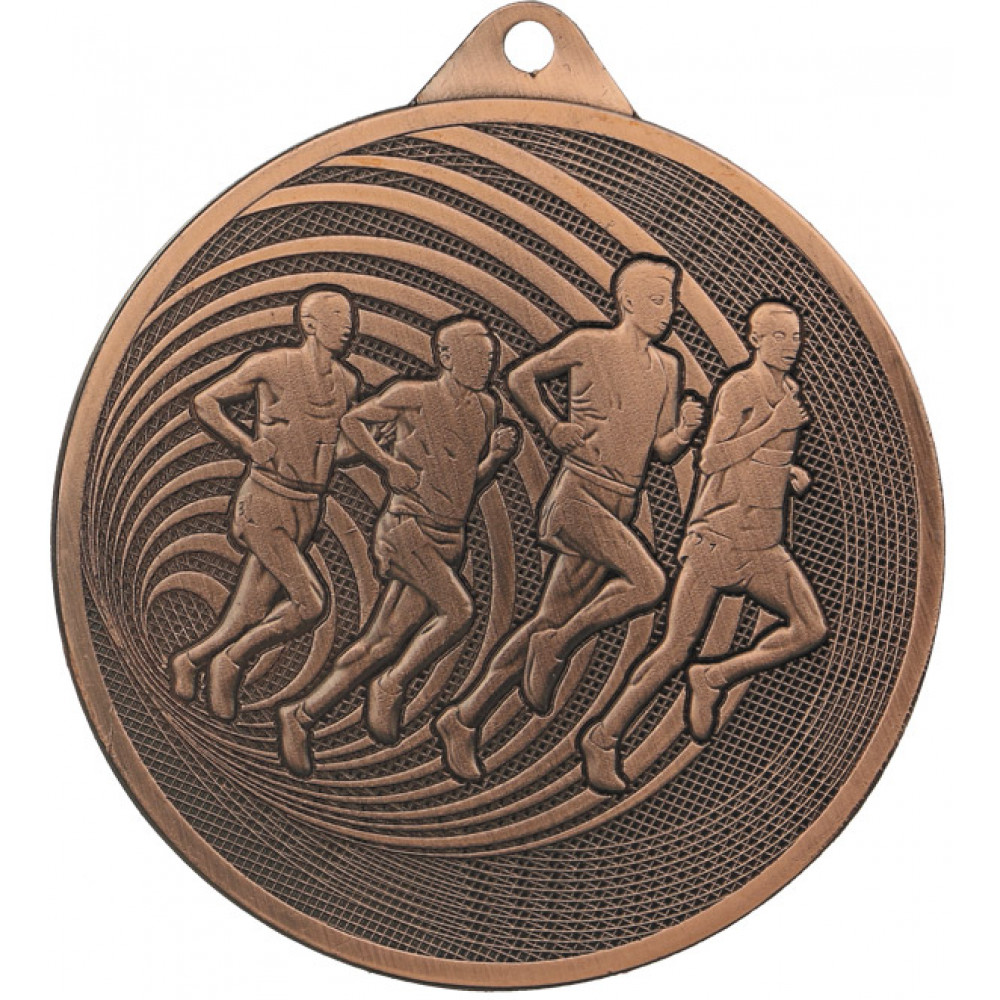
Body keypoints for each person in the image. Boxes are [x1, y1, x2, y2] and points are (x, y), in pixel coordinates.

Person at [434, 256, 705, 782]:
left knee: (545, 620)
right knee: (648, 583)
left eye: (671, 300)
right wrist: (552, 425)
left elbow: (662, 450)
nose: (668, 310)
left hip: (622, 502)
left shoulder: (668, 367)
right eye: (657, 299)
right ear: (627, 301)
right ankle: (556, 647)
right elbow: (521, 376)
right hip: (578, 497)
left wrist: (686, 431)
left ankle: (463, 719)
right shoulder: (587, 344)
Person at [579, 300, 829, 793]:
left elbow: (757, 460)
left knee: (810, 629)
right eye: (779, 336)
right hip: (718, 539)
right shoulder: (741, 388)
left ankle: (714, 677)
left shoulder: (790, 391)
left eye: (796, 337)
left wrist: (787, 472)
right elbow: (711, 458)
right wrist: (775, 425)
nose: (791, 345)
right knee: (674, 647)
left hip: (764, 546)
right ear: (755, 339)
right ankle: (602, 738)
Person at [276, 317, 519, 778]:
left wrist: (495, 457)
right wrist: (387, 464)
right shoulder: (413, 395)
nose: (488, 364)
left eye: (491, 356)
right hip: (407, 529)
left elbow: (467, 483)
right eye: (477, 355)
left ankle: (302, 714)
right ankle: (392, 685)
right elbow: (353, 421)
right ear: (446, 357)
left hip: (449, 536)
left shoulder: (486, 409)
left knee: (380, 642)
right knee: (459, 611)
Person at [168, 286, 360, 720]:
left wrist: (373, 445)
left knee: (247, 612)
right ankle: (231, 662)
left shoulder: (347, 383)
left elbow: (336, 449)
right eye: (337, 316)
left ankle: (190, 660)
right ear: (309, 323)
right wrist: (246, 444)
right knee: (310, 603)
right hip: (265, 501)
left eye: (350, 317)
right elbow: (206, 402)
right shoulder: (271, 365)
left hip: (308, 506)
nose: (348, 326)